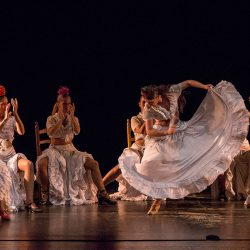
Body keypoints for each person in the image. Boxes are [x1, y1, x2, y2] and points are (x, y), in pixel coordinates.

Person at [119, 80, 249, 215]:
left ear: (159, 95)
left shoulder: (172, 92)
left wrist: (204, 87)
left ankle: (159, 198)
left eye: (153, 102)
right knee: (150, 166)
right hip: (159, 137)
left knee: (189, 155)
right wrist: (166, 132)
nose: (151, 105)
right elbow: (150, 131)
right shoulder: (148, 109)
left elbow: (188, 83)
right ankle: (157, 199)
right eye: (148, 103)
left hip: (179, 132)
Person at [36, 86, 116, 206]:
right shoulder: (51, 119)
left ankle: (102, 193)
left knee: (94, 164)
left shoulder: (73, 119)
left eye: (68, 104)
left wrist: (72, 117)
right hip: (55, 150)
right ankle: (45, 193)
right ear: (58, 104)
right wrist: (60, 121)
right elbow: (50, 132)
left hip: (70, 150)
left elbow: (77, 131)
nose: (66, 106)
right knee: (41, 163)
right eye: (64, 104)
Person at [0, 84, 42, 213]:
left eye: (7, 103)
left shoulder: (11, 118)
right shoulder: (5, 118)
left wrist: (16, 114)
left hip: (11, 155)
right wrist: (5, 119)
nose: (6, 106)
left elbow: (22, 131)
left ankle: (30, 202)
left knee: (28, 164)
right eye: (2, 104)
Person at [103, 96, 148, 201]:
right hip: (137, 149)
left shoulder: (156, 119)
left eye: (149, 102)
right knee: (122, 165)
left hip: (151, 150)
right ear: (140, 104)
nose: (146, 105)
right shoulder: (135, 118)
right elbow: (140, 131)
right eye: (144, 102)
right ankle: (99, 187)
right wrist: (148, 118)